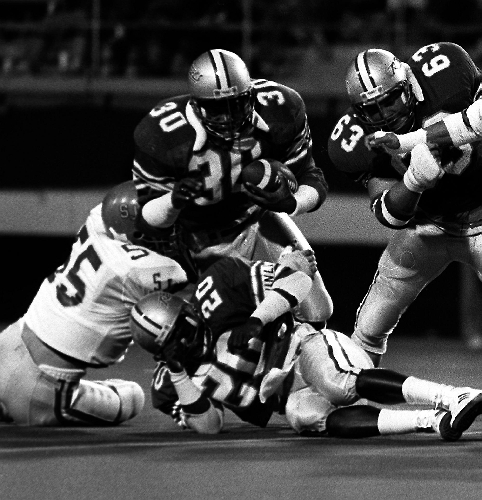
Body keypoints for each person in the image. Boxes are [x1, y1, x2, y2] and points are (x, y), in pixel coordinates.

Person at [130, 250, 482, 440]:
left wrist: (257, 319)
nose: (187, 340)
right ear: (161, 353)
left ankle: (453, 395)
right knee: (308, 417)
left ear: (187, 310)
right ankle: (431, 421)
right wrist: (178, 372)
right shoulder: (168, 383)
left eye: (184, 328)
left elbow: (296, 278)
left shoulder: (219, 287)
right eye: (175, 344)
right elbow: (210, 426)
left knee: (337, 383)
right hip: (289, 396)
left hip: (305, 347)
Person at [130, 48, 333, 327]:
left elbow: (312, 177)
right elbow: (148, 221)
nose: (227, 118)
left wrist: (292, 203)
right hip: (193, 239)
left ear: (250, 95)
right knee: (192, 330)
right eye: (217, 109)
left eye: (235, 104)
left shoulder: (281, 107)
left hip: (255, 220)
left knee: (316, 311)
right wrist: (174, 200)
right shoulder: (163, 133)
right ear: (196, 105)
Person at [327, 41, 482, 365]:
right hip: (428, 227)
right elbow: (388, 214)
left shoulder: (446, 68)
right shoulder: (352, 141)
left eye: (390, 100)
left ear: (407, 83)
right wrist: (413, 182)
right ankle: (352, 388)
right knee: (367, 329)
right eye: (373, 110)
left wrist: (412, 141)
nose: (386, 114)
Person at [0, 180, 190, 426]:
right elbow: (190, 273)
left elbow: (119, 211)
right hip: (42, 387)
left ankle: (6, 399)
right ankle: (16, 402)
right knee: (132, 396)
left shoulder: (97, 219)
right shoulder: (145, 269)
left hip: (8, 344)